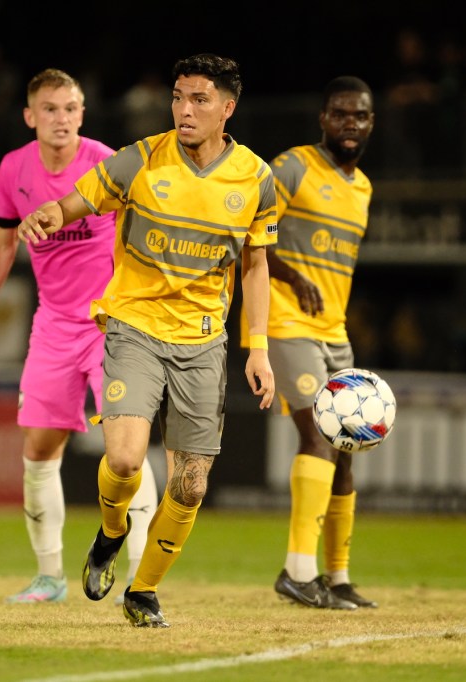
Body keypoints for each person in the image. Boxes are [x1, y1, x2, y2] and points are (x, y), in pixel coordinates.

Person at [16, 53, 278, 627]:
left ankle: (143, 591)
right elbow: (78, 201)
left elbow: (256, 266)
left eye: (199, 100)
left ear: (227, 109)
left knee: (188, 485)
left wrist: (257, 347)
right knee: (126, 457)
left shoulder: (257, 179)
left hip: (204, 343)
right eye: (179, 97)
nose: (185, 109)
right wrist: (49, 216)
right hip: (134, 327)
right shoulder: (141, 159)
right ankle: (112, 533)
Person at [0, 69, 158, 605]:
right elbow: (0, 247)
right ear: (30, 116)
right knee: (39, 448)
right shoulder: (13, 170)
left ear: (82, 114)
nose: (60, 118)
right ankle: (49, 577)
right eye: (49, 109)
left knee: (126, 451)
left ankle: (140, 579)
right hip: (53, 327)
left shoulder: (108, 164)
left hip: (113, 327)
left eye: (69, 108)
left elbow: (145, 233)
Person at [256, 75, 379, 610]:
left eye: (360, 116)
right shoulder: (294, 166)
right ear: (323, 119)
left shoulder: (364, 188)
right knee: (321, 438)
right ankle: (296, 572)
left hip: (334, 332)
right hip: (285, 322)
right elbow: (249, 235)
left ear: (371, 123)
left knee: (347, 452)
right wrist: (292, 277)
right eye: (341, 114)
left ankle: (338, 577)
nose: (350, 123)